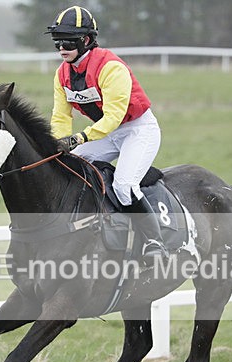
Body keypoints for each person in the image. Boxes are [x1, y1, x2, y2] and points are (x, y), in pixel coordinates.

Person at [46, 6, 167, 259]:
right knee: (69, 167)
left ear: (86, 40)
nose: (61, 48)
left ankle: (155, 242)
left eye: (67, 41)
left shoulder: (111, 67)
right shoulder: (62, 75)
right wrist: (59, 142)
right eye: (57, 42)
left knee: (124, 186)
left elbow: (114, 116)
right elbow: (60, 116)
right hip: (105, 133)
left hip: (137, 129)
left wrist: (81, 138)